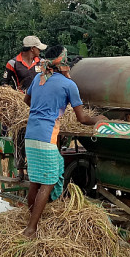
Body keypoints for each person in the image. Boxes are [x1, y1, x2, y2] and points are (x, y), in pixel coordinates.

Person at [22, 45, 106, 238]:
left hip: (31, 133)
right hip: (46, 136)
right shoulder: (69, 85)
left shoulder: (38, 78)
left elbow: (27, 101)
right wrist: (99, 119)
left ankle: (30, 218)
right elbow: (82, 119)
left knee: (35, 180)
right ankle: (31, 228)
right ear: (65, 62)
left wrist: (43, 107)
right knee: (49, 181)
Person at [1, 35, 47, 181]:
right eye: (38, 48)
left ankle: (38, 168)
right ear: (32, 49)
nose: (40, 50)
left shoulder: (42, 63)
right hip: (21, 104)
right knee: (20, 133)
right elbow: (4, 85)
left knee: (40, 133)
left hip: (39, 103)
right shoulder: (13, 63)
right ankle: (20, 169)